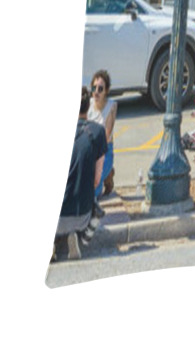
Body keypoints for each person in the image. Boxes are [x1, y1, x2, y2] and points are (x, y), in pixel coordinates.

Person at [54, 87, 108, 261]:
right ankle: (78, 236)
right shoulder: (98, 132)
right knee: (92, 195)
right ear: (88, 105)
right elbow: (97, 180)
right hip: (82, 216)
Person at [87, 69, 117, 198]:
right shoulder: (88, 105)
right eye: (94, 88)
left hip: (104, 151)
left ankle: (107, 172)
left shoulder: (111, 107)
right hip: (90, 150)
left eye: (100, 89)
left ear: (106, 91)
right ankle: (108, 174)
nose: (96, 92)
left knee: (93, 186)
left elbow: (106, 135)